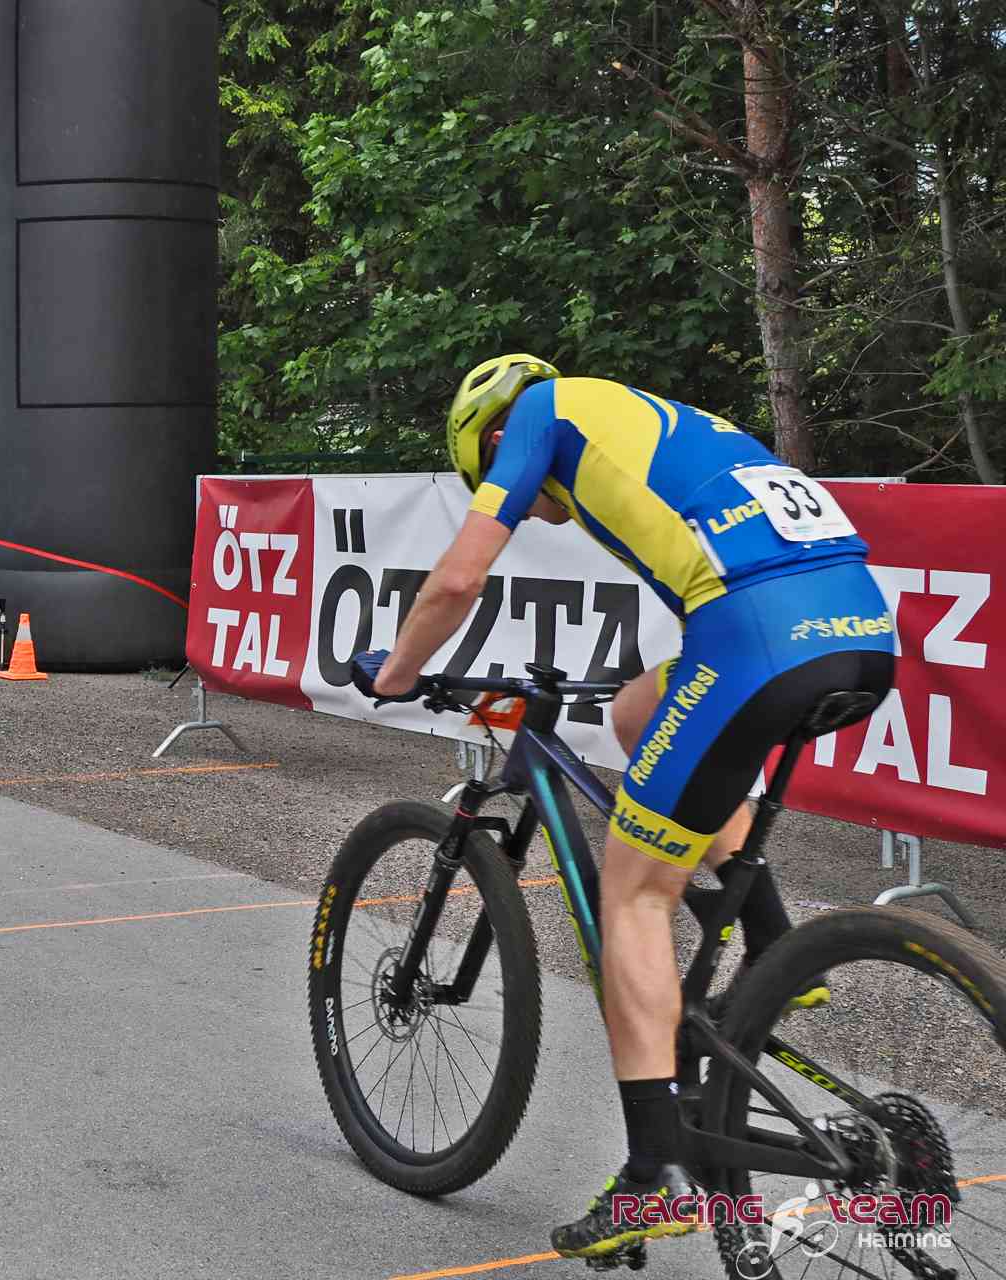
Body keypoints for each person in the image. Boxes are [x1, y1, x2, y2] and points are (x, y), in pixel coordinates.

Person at [352, 355, 895, 1260]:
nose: (523, 502)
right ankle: (775, 946)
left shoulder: (538, 417)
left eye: (495, 478)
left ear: (494, 438)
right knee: (639, 710)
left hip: (755, 638)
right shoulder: (651, 413)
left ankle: (653, 1176)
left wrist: (397, 672)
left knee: (634, 895)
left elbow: (456, 581)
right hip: (861, 632)